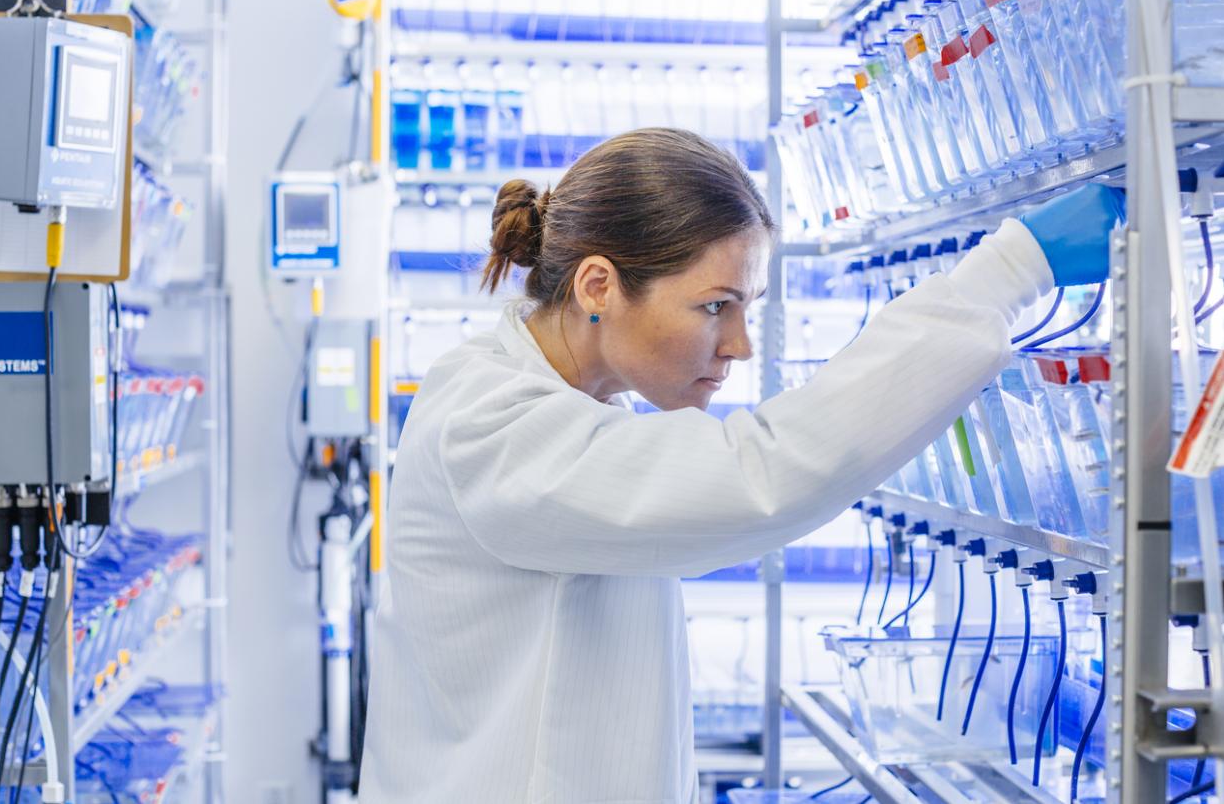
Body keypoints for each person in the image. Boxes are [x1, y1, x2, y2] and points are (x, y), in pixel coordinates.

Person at [358, 128, 1124, 803]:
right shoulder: (490, 423)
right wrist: (1006, 274)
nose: (739, 345)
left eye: (745, 308)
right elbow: (762, 476)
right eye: (714, 306)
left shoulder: (569, 406)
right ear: (598, 287)